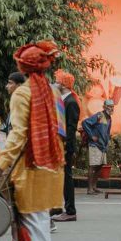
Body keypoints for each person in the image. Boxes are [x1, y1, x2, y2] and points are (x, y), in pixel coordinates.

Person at [0, 41, 65, 241]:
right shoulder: (54, 93)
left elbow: (18, 135)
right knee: (39, 223)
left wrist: (1, 164)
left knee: (28, 224)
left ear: (23, 68)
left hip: (28, 166)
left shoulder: (22, 94)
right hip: (50, 165)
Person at [52, 70, 80, 222]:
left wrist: (66, 147)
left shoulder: (71, 102)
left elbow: (71, 127)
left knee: (66, 178)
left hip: (65, 146)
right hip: (60, 144)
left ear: (63, 84)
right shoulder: (63, 100)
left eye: (56, 81)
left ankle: (70, 211)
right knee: (61, 177)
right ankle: (59, 208)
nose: (54, 83)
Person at [80, 99, 114, 195]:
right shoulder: (99, 115)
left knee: (99, 166)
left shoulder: (109, 118)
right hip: (95, 145)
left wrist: (107, 144)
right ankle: (89, 189)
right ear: (104, 107)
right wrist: (91, 136)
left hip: (102, 145)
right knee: (93, 165)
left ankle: (94, 187)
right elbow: (85, 123)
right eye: (109, 106)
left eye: (112, 106)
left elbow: (107, 133)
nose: (111, 108)